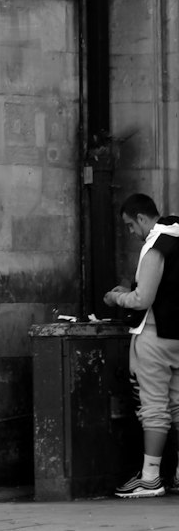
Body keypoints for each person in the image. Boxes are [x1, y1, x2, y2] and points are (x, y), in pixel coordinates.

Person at [103, 193, 179, 498]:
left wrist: (117, 297)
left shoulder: (156, 248)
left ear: (143, 218)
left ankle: (149, 478)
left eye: (129, 225)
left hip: (154, 336)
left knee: (154, 408)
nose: (131, 233)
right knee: (178, 406)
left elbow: (143, 299)